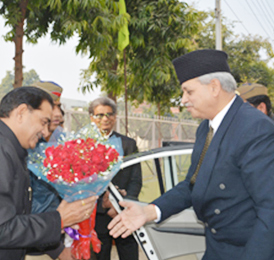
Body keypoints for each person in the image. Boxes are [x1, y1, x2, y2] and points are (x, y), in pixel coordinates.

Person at [108, 49, 274, 260]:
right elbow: (193, 184)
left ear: (214, 87)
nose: (183, 100)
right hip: (216, 248)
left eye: (189, 91)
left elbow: (270, 210)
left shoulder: (255, 128)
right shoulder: (206, 128)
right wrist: (149, 211)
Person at [0, 87, 97, 260]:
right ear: (22, 112)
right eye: (43, 122)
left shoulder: (9, 150)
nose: (45, 132)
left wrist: (58, 243)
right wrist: (58, 219)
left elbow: (14, 223)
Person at [88, 97, 142, 260]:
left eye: (109, 114)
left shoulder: (128, 144)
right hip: (97, 215)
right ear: (92, 117)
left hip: (123, 213)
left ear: (115, 116)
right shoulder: (84, 145)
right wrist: (103, 204)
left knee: (129, 255)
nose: (105, 119)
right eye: (100, 115)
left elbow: (136, 179)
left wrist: (123, 203)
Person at [26, 82, 70, 260]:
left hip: (60, 231)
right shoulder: (24, 144)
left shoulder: (62, 138)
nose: (57, 114)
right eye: (52, 108)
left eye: (58, 107)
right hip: (31, 237)